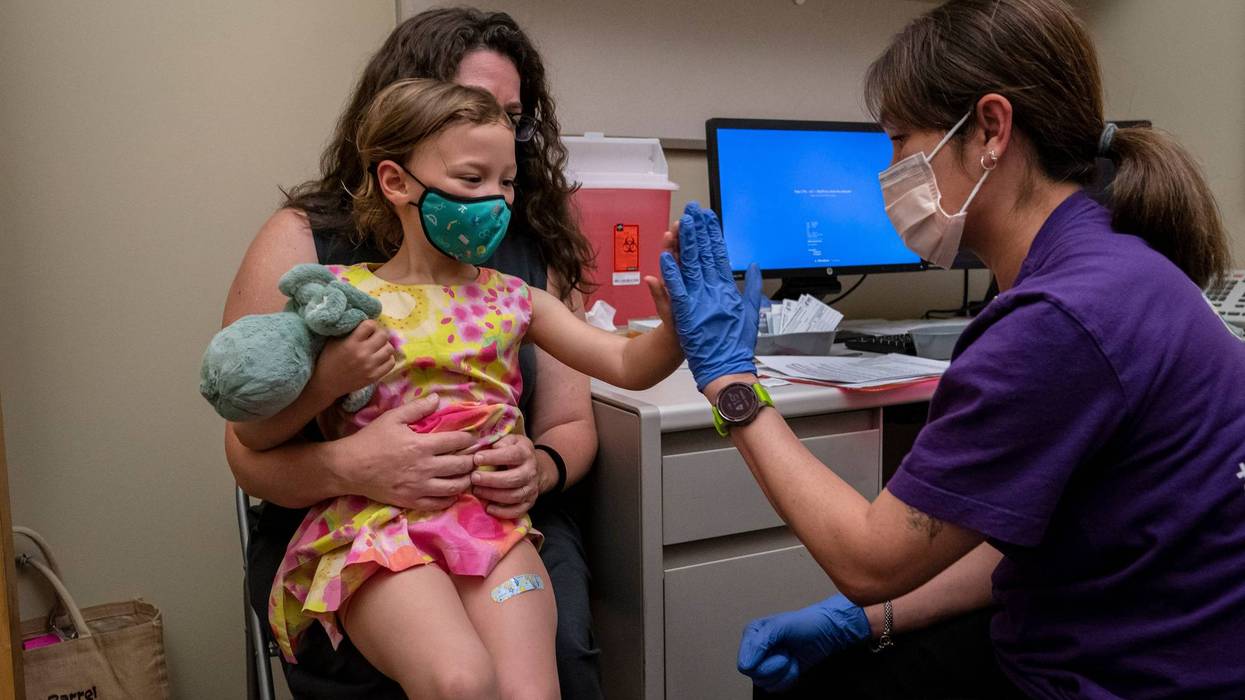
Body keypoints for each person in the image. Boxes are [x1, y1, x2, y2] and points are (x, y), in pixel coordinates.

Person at [658, 0, 1245, 698]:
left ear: (990, 130)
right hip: (1156, 636)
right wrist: (869, 622)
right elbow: (999, 532)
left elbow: (869, 559)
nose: (889, 171)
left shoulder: (1060, 317)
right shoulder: (1111, 264)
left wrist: (730, 380)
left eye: (900, 140)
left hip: (1126, 675)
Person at [230, 78, 680, 698]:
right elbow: (253, 433)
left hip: (490, 524)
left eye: (506, 182)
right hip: (377, 530)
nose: (495, 200)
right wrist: (331, 379)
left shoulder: (516, 298)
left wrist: (682, 325)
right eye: (472, 180)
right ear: (396, 183)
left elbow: (626, 365)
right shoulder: (338, 300)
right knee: (459, 680)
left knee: (533, 692)